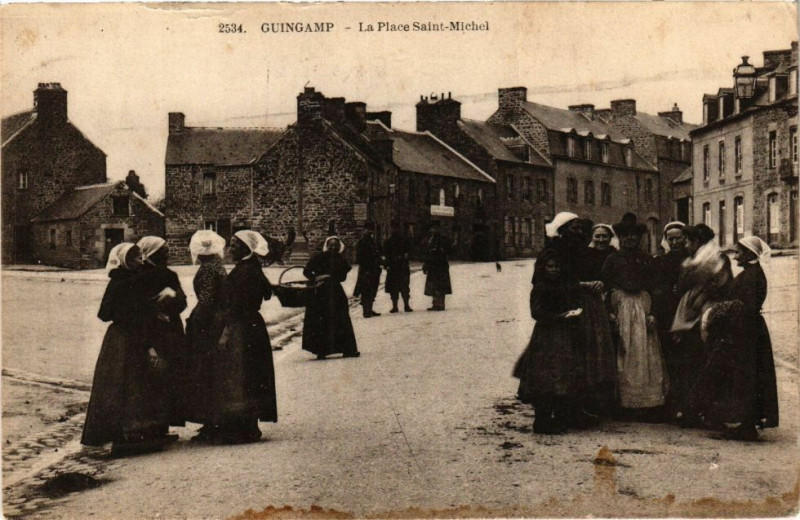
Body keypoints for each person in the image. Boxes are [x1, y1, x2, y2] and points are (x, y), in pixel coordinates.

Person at [82, 244, 175, 456]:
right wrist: (137, 313)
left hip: (129, 337)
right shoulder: (121, 282)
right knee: (123, 384)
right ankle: (124, 437)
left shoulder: (134, 280)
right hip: (126, 338)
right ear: (124, 261)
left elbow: (138, 309)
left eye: (141, 256)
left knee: (136, 384)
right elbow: (105, 313)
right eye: (135, 259)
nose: (140, 261)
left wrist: (151, 306)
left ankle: (138, 436)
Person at [697, 236, 779, 440]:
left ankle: (747, 426)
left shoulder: (752, 275)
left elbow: (745, 306)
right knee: (742, 377)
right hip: (745, 330)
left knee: (746, 376)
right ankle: (744, 423)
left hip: (746, 332)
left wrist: (721, 312)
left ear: (750, 254)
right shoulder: (749, 273)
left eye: (739, 252)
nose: (735, 256)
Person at [536, 213, 614, 423]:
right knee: (556, 364)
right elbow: (543, 283)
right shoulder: (551, 253)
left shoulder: (577, 251)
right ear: (562, 231)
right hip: (557, 312)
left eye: (579, 229)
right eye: (573, 228)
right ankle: (553, 412)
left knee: (578, 359)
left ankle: (574, 409)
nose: (578, 233)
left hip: (576, 310)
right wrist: (580, 286)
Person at [206, 230, 278, 444]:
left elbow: (239, 306)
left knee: (243, 374)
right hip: (251, 327)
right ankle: (246, 425)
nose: (230, 249)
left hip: (243, 328)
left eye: (235, 245)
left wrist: (225, 334)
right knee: (248, 374)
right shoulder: (249, 267)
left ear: (246, 248)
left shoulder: (246, 271)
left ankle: (245, 427)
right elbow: (266, 292)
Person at [602, 218, 668, 419]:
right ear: (620, 238)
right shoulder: (612, 259)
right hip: (621, 305)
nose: (630, 239)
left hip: (642, 306)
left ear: (639, 238)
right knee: (623, 351)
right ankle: (622, 403)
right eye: (625, 235)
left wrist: (654, 313)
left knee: (645, 353)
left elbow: (657, 288)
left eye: (634, 235)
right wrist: (609, 311)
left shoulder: (647, 259)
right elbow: (604, 286)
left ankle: (646, 404)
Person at [513, 248, 584, 434]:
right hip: (546, 336)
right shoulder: (540, 288)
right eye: (550, 266)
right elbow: (536, 313)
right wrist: (560, 317)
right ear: (542, 268)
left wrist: (573, 313)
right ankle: (542, 420)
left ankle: (559, 417)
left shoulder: (564, 286)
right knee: (544, 376)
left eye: (558, 267)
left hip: (564, 335)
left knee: (562, 373)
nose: (554, 270)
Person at [669, 224, 732, 426]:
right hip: (691, 316)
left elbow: (720, 287)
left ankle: (705, 412)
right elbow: (681, 286)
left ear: (697, 241)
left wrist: (698, 297)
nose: (685, 244)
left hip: (706, 316)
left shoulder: (716, 259)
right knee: (692, 364)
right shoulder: (692, 261)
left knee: (703, 363)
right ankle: (693, 410)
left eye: (688, 241)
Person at [136, 236, 188, 429]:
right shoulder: (140, 275)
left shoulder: (169, 275)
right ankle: (154, 424)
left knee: (167, 374)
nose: (167, 254)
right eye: (162, 252)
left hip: (168, 329)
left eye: (167, 251)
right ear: (151, 253)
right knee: (154, 374)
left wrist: (168, 306)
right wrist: (156, 308)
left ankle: (162, 423)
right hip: (152, 330)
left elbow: (182, 302)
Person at [184, 229, 227, 441]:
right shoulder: (217, 266)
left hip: (209, 324)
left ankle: (212, 420)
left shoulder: (209, 269)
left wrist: (194, 319)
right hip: (217, 320)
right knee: (212, 370)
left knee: (206, 370)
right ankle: (213, 419)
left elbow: (207, 300)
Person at [650, 221, 690, 418]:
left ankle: (685, 403)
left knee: (686, 359)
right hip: (666, 313)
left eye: (678, 238)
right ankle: (669, 403)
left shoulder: (692, 259)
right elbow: (656, 289)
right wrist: (655, 314)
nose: (674, 243)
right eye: (670, 239)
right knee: (667, 359)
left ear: (685, 239)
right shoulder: (660, 261)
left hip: (687, 313)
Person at [302, 236, 360, 359]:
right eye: (331, 246)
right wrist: (316, 278)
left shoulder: (340, 259)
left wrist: (330, 276)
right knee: (321, 320)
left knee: (341, 319)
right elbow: (306, 271)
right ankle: (321, 351)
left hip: (335, 292)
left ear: (339, 247)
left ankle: (347, 349)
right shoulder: (319, 257)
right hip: (321, 292)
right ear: (326, 246)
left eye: (336, 246)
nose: (333, 248)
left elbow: (342, 277)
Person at [383, 221, 413, 313]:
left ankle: (406, 305)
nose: (394, 230)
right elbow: (385, 254)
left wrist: (405, 256)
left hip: (402, 266)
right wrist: (386, 265)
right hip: (393, 267)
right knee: (393, 288)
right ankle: (395, 306)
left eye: (396, 228)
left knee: (405, 287)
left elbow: (409, 252)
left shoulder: (404, 241)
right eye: (393, 228)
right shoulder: (388, 242)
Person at [355, 223, 383, 318]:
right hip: (365, 269)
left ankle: (370, 309)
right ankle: (365, 311)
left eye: (371, 230)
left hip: (374, 269)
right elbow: (359, 258)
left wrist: (380, 262)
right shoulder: (361, 243)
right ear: (364, 231)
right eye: (367, 230)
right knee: (365, 289)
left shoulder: (373, 243)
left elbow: (379, 253)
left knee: (373, 289)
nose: (369, 232)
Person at [423, 222, 453, 311]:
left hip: (441, 265)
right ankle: (435, 304)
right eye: (433, 228)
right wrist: (426, 264)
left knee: (441, 285)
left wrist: (441, 251)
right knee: (433, 285)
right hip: (432, 265)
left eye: (436, 228)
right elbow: (426, 253)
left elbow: (449, 251)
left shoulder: (443, 240)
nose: (434, 230)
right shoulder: (430, 240)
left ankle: (441, 304)